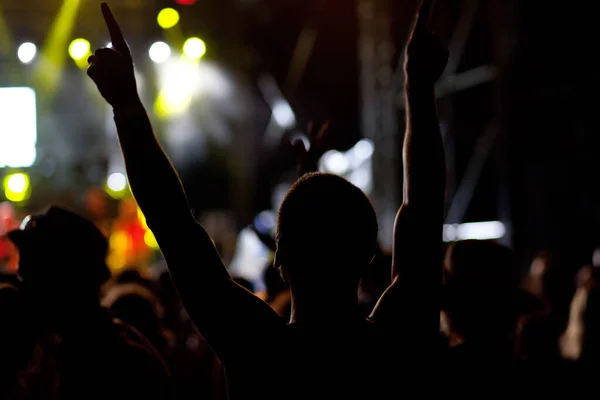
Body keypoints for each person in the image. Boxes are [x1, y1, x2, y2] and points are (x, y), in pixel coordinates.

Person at [87, 1, 447, 398]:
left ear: (279, 257)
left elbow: (172, 223)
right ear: (368, 255)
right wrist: (418, 86)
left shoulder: (259, 350)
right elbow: (423, 212)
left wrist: (127, 106)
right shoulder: (396, 343)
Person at [7, 206, 172, 399]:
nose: (20, 281)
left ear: (70, 277)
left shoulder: (118, 364)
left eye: (33, 270)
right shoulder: (48, 352)